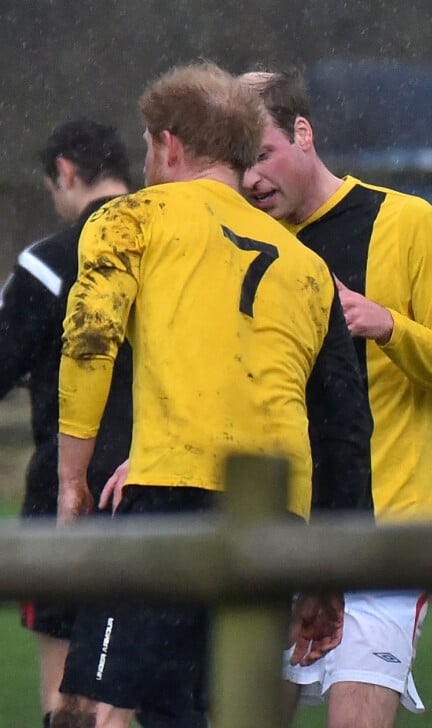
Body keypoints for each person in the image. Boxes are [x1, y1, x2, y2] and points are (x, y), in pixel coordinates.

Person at [52, 62, 372, 728]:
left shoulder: (129, 220)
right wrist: (327, 572)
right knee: (198, 710)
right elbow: (344, 427)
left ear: (168, 144)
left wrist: (71, 478)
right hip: (277, 522)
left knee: (91, 708)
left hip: (172, 495)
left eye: (146, 145)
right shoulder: (306, 265)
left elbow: (89, 341)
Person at [240, 68, 432, 728]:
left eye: (261, 155)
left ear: (303, 132)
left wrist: (390, 326)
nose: (251, 180)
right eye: (239, 164)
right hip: (278, 534)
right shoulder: (245, 244)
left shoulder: (406, 221)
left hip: (386, 536)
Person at [0, 119, 133, 728]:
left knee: (65, 703)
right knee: (125, 693)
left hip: (65, 491)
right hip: (157, 487)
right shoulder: (173, 247)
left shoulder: (50, 263)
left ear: (66, 174)